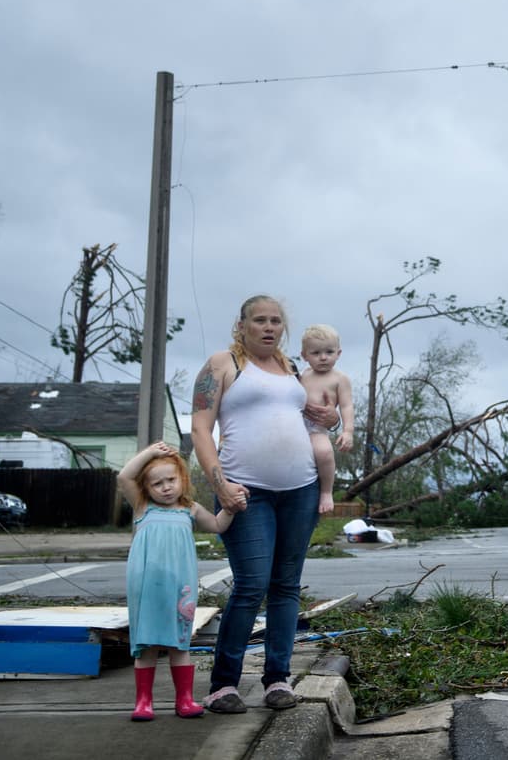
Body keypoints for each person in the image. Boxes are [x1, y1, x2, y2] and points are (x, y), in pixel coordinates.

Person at [191, 295, 337, 714]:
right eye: (260, 320)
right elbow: (201, 429)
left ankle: (278, 678)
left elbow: (313, 419)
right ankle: (223, 685)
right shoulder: (223, 365)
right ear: (243, 325)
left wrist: (333, 421)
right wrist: (219, 485)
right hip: (246, 494)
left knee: (286, 586)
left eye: (276, 321)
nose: (269, 327)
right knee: (251, 584)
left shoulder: (292, 369)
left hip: (301, 489)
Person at [117, 441, 237, 722]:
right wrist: (150, 453)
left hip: (179, 587)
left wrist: (231, 508)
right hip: (145, 586)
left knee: (179, 643)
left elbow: (218, 525)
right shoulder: (142, 507)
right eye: (157, 483)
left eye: (171, 480)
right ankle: (143, 702)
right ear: (146, 488)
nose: (166, 487)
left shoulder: (190, 509)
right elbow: (124, 476)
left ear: (182, 479)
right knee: (145, 644)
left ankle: (184, 699)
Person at [299, 324, 354, 515]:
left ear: (338, 353)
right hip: (295, 426)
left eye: (329, 352)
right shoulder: (303, 375)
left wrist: (347, 431)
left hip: (317, 428)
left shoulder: (340, 379)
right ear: (304, 355)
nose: (323, 357)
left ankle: (326, 492)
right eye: (316, 353)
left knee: (324, 452)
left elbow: (346, 405)